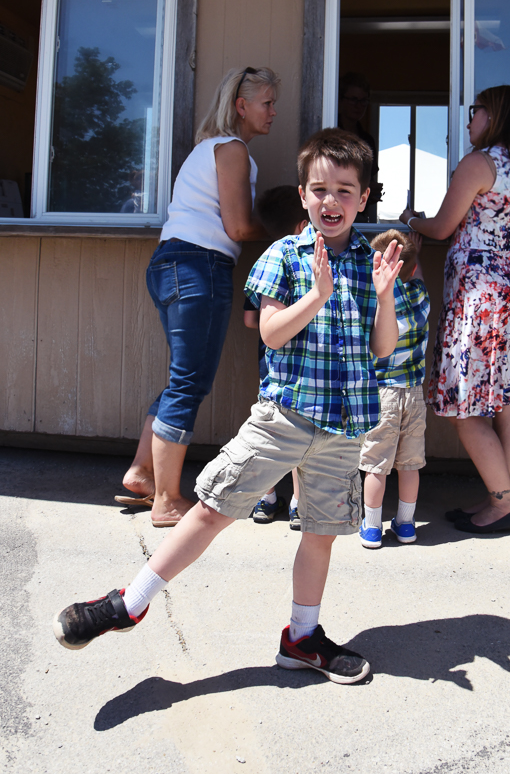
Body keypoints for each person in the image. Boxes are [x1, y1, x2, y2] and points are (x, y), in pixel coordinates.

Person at [54, 129, 403, 685]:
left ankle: (302, 638)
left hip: (343, 427)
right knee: (214, 507)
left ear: (364, 199)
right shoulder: (284, 255)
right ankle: (132, 601)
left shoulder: (371, 265)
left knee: (320, 534)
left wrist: (384, 295)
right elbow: (269, 333)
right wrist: (316, 295)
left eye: (344, 190)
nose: (330, 201)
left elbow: (383, 348)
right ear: (303, 194)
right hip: (283, 417)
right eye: (319, 189)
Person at [114, 66, 279, 528]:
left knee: (179, 379)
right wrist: (288, 231)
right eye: (267, 103)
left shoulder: (207, 150)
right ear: (241, 106)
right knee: (189, 383)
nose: (273, 113)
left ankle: (143, 473)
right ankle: (167, 501)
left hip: (171, 264)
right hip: (198, 267)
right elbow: (238, 228)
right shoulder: (232, 150)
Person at [400, 85, 510, 535]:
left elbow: (443, 225)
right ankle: (500, 496)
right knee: (504, 402)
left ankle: (504, 504)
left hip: (480, 297)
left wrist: (410, 219)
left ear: (495, 115)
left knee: (466, 408)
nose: (468, 121)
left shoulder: (479, 163)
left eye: (475, 112)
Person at [358, 229, 430, 548]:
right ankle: (405, 524)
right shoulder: (420, 295)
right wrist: (416, 254)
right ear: (412, 269)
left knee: (376, 466)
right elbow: (415, 273)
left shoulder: (373, 303)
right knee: (409, 464)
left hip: (382, 394)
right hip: (414, 395)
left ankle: (372, 527)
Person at [243, 185, 309, 529]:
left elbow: (250, 320)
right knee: (298, 432)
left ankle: (265, 500)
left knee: (270, 433)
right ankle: (299, 504)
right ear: (302, 226)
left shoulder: (263, 261)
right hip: (302, 368)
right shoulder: (305, 264)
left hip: (268, 367)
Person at [337, 72, 382, 219]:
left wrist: (371, 191)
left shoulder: (367, 140)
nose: (359, 106)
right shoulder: (330, 133)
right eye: (353, 99)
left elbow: (370, 176)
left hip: (360, 215)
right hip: (334, 209)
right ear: (340, 100)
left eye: (363, 101)